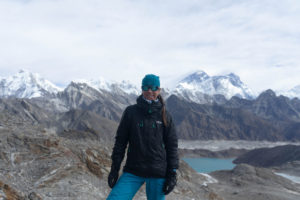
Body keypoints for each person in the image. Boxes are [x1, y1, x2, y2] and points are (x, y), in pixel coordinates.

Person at [106, 74, 179, 200]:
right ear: (141, 89)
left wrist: (172, 173)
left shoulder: (165, 116)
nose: (149, 91)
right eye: (146, 87)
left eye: (153, 87)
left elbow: (172, 146)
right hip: (133, 170)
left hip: (158, 172)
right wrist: (114, 169)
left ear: (159, 90)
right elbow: (120, 142)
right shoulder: (131, 112)